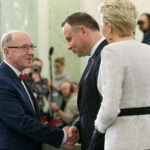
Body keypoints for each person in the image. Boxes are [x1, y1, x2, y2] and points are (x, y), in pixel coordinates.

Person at [0, 30, 78, 150]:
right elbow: (21, 122)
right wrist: (62, 136)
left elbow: (33, 118)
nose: (31, 52)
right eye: (24, 47)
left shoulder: (22, 78)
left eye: (32, 47)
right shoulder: (2, 79)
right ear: (7, 51)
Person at [93, 0, 150, 150]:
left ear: (108, 26)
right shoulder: (147, 50)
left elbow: (110, 108)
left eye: (101, 23)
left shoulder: (111, 51)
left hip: (124, 139)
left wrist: (99, 124)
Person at [61, 12, 108, 150]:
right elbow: (92, 106)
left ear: (83, 31)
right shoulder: (94, 57)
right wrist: (78, 126)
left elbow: (108, 108)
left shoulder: (106, 55)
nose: (68, 46)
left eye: (69, 39)